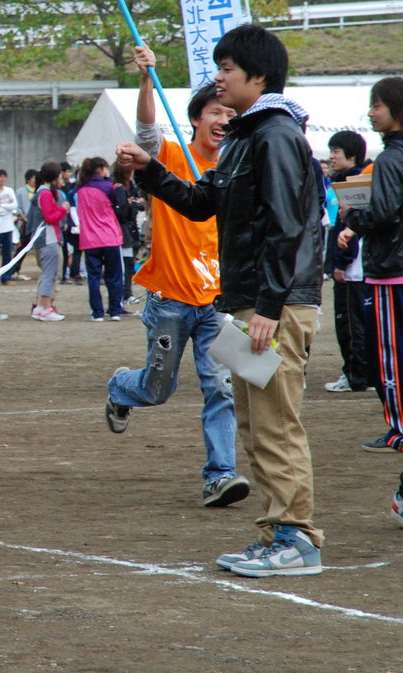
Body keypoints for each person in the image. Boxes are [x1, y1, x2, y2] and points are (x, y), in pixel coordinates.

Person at [117, 23, 324, 577]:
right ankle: (276, 532)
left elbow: (286, 227)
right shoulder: (245, 137)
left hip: (271, 306)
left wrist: (268, 307)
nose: (218, 79)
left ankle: (297, 538)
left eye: (227, 69)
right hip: (249, 305)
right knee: (256, 426)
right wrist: (152, 171)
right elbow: (202, 201)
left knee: (277, 424)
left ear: (258, 76)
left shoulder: (275, 134)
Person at [105, 47, 249, 509]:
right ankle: (120, 387)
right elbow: (146, 130)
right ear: (195, 119)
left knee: (220, 386)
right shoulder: (169, 154)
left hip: (217, 302)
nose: (223, 118)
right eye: (214, 111)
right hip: (169, 298)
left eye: (229, 111)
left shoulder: (238, 166)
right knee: (157, 388)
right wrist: (148, 77)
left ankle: (220, 475)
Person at [340, 78, 403, 453]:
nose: (371, 112)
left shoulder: (390, 159)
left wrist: (352, 217)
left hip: (390, 269)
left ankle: (398, 429)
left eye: (376, 105)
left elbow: (382, 213)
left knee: (391, 355)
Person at [323, 130, 370, 394]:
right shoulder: (348, 179)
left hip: (352, 269)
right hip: (354, 266)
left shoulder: (352, 183)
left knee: (350, 325)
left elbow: (350, 224)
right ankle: (362, 374)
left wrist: (341, 263)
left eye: (336, 152)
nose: (331, 157)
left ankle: (355, 375)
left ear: (351, 156)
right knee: (355, 323)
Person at [75, 156, 126, 322]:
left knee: (94, 277)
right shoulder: (108, 186)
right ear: (99, 169)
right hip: (109, 237)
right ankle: (115, 310)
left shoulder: (80, 188)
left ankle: (97, 312)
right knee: (114, 276)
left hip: (90, 239)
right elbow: (116, 203)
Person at [27, 162, 68, 320]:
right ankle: (44, 308)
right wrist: (63, 209)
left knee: (48, 274)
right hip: (48, 239)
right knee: (49, 275)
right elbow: (50, 218)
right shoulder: (45, 193)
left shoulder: (43, 192)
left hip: (47, 239)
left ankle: (40, 307)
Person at [110, 166, 143, 304]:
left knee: (128, 264)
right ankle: (124, 294)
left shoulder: (127, 188)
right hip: (124, 232)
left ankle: (126, 293)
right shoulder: (120, 189)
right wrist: (131, 205)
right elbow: (123, 213)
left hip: (128, 230)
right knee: (126, 264)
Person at [0, 169, 19, 284]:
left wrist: (0, 204)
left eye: (4, 177)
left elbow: (14, 206)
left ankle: (6, 277)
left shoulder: (9, 190)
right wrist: (4, 206)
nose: (2, 179)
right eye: (0, 177)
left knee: (8, 253)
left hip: (8, 226)